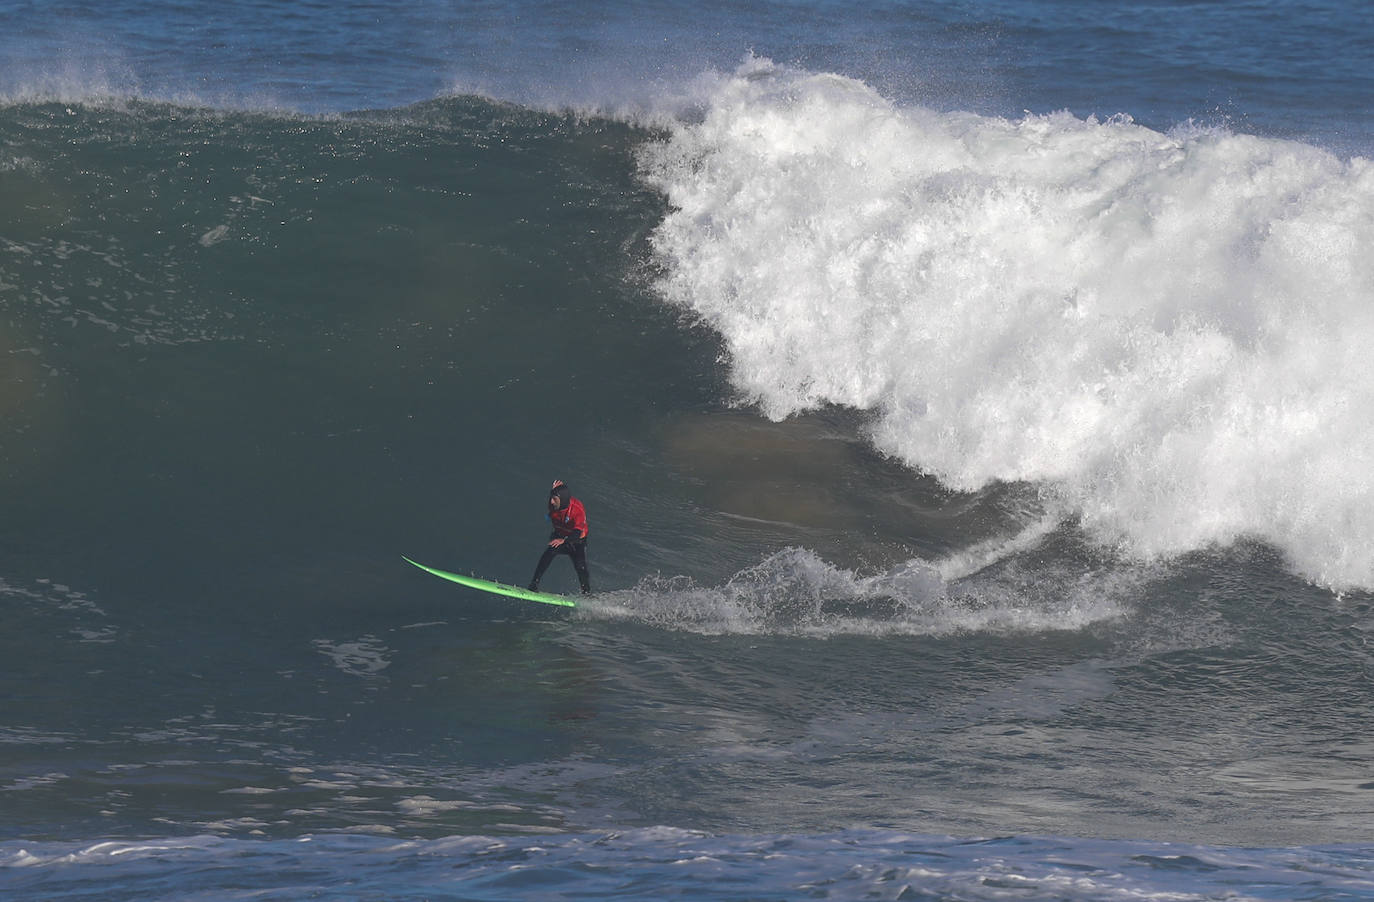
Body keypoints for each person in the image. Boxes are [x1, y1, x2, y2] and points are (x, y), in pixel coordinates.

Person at [528, 479, 591, 594]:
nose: (551, 502)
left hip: (577, 541)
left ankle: (586, 594)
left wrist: (563, 540)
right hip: (560, 536)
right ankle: (533, 584)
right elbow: (557, 498)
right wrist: (555, 491)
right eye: (551, 498)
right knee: (549, 552)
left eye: (554, 499)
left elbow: (577, 534)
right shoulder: (554, 504)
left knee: (581, 568)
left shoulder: (577, 510)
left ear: (562, 500)